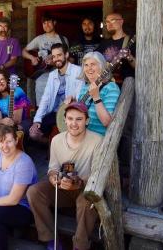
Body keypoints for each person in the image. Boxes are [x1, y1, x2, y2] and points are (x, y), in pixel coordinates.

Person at [27, 102, 102, 250]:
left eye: (79, 119)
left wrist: (79, 183)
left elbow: (99, 175)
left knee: (87, 200)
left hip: (85, 189)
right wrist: (53, 177)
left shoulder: (97, 141)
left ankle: (80, 246)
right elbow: (53, 168)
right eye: (70, 118)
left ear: (87, 121)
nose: (74, 123)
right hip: (62, 187)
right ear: (65, 120)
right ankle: (50, 239)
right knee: (33, 192)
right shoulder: (56, 140)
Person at [29, 43, 82, 143]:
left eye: (59, 55)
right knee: (33, 133)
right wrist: (37, 119)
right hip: (55, 113)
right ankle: (50, 144)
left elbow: (80, 95)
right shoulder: (52, 75)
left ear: (66, 55)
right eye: (54, 56)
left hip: (70, 113)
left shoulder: (77, 71)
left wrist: (73, 99)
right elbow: (46, 98)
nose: (56, 59)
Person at [23, 14, 69, 105]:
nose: (46, 25)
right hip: (41, 80)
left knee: (58, 108)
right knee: (42, 109)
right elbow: (23, 51)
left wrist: (54, 64)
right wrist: (32, 58)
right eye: (44, 23)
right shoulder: (39, 39)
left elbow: (67, 60)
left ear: (54, 23)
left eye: (49, 22)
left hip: (58, 80)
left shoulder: (63, 40)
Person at [76, 51, 120, 136]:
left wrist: (96, 97)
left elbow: (107, 122)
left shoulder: (111, 88)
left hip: (98, 139)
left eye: (93, 64)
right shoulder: (85, 88)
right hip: (81, 136)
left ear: (101, 67)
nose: (89, 68)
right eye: (86, 65)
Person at [96, 12, 135, 85]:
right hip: (108, 86)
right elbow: (94, 61)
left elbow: (141, 68)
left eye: (113, 21)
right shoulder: (104, 43)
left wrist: (130, 57)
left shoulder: (131, 41)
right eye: (107, 22)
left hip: (126, 84)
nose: (109, 24)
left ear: (121, 22)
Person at [0, 69, 31, 133]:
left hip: (22, 121)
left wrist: (9, 123)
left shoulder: (18, 92)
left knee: (17, 129)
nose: (0, 83)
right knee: (0, 130)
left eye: (2, 80)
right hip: (4, 122)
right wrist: (2, 121)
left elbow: (17, 120)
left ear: (7, 80)